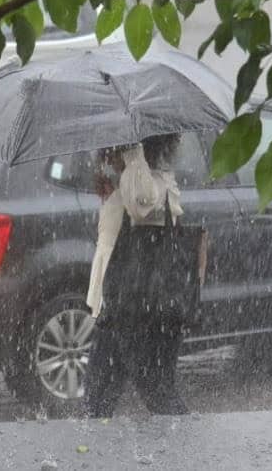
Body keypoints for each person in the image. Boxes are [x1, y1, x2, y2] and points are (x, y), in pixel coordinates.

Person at [85, 134, 189, 417]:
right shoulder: (132, 178)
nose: (106, 158)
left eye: (111, 151)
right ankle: (94, 453)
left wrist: (131, 152)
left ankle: (184, 452)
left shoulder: (155, 180)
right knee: (98, 390)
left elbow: (141, 204)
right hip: (121, 303)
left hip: (145, 305)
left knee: (156, 388)